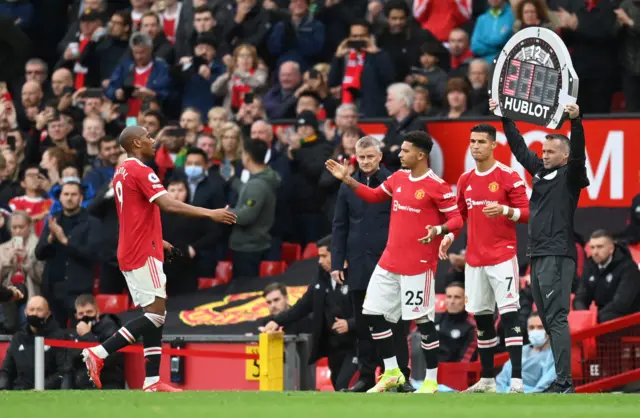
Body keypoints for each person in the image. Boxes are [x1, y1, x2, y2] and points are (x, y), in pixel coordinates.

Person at [82, 125, 237, 393]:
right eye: (149, 137)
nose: (153, 141)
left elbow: (134, 213)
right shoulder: (141, 170)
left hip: (138, 245)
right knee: (154, 316)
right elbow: (167, 204)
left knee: (156, 314)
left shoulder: (121, 172)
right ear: (136, 143)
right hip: (141, 251)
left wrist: (158, 238)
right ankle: (99, 352)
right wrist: (209, 213)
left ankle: (152, 381)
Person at [325, 130, 463, 393]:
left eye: (405, 150)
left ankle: (431, 380)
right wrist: (348, 181)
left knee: (421, 321)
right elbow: (373, 195)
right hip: (389, 262)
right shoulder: (398, 178)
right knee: (372, 313)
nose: (399, 154)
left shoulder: (437, 184)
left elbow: (456, 219)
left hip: (418, 264)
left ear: (420, 155)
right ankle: (391, 373)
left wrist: (439, 231)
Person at [492, 99, 589, 393]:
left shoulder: (571, 176)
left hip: (557, 254)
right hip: (538, 254)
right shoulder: (540, 172)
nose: (544, 155)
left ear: (565, 155)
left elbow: (579, 157)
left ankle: (564, 382)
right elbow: (520, 149)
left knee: (557, 318)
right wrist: (506, 118)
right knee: (547, 320)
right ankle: (560, 380)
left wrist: (576, 122)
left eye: (550, 152)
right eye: (543, 150)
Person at [439, 123, 530, 393]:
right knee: (482, 319)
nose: (475, 146)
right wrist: (448, 237)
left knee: (510, 315)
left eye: (481, 141)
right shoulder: (466, 179)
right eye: (472, 141)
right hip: (474, 260)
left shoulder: (508, 176)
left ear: (493, 145)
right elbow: (459, 216)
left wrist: (504, 209)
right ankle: (488, 380)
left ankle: (516, 381)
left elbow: (527, 213)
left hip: (502, 256)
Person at [331, 135, 412, 393]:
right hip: (358, 264)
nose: (365, 162)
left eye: (370, 157)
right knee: (364, 324)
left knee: (395, 323)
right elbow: (339, 226)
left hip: (389, 263)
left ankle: (401, 377)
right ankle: (366, 376)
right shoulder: (347, 186)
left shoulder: (394, 183)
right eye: (361, 157)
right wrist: (336, 262)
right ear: (356, 157)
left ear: (379, 156)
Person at [260, 235, 357, 391]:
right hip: (334, 346)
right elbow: (303, 306)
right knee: (339, 386)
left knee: (345, 385)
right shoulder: (322, 278)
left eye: (324, 256)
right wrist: (277, 321)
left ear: (338, 253)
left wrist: (350, 324)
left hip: (357, 344)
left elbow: (370, 311)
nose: (320, 261)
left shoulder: (357, 275)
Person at [573, 230, 640, 323]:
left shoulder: (628, 267)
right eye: (592, 248)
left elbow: (621, 304)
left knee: (607, 318)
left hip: (629, 319)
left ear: (611, 249)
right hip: (602, 316)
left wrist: (595, 318)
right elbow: (580, 297)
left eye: (600, 247)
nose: (595, 252)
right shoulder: (590, 265)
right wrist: (584, 316)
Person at [496, 312, 556, 393]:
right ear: (527, 330)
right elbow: (502, 378)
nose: (535, 331)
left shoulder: (553, 355)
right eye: (531, 327)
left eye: (540, 327)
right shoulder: (521, 350)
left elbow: (545, 384)